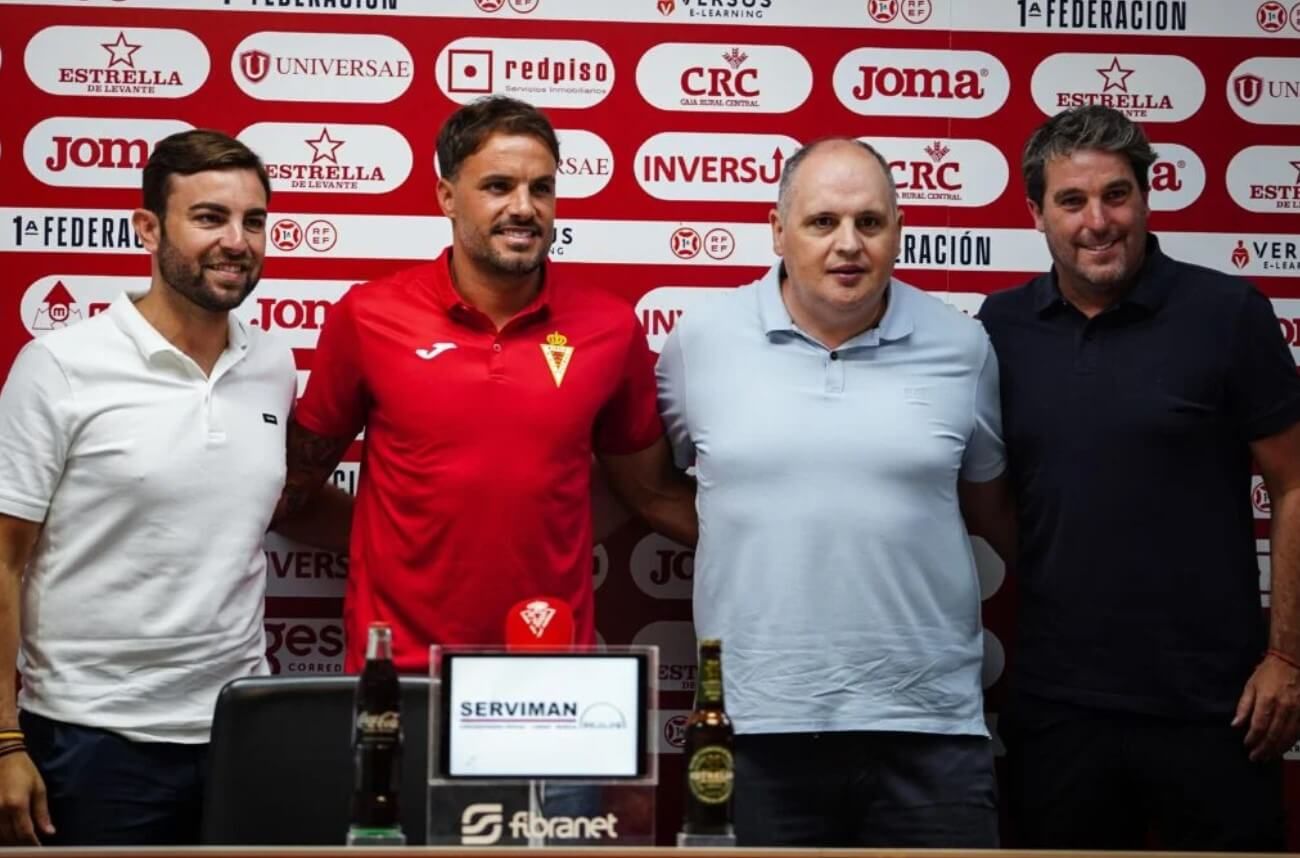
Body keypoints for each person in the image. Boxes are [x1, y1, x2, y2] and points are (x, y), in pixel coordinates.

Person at [655, 137, 1016, 847]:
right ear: (778, 230)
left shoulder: (962, 346)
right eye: (823, 222)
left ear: (897, 230)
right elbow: (647, 485)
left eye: (870, 223)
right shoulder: (700, 344)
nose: (848, 245)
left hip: (930, 727)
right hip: (757, 723)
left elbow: (990, 509)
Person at [0, 129, 348, 846]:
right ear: (149, 228)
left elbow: (282, 505)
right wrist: (5, 741)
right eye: (210, 217)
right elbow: (3, 561)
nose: (238, 241)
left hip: (244, 727)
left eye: (254, 220)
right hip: (93, 740)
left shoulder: (272, 363)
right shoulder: (61, 366)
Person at [277, 95, 695, 673]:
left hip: (549, 666)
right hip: (399, 669)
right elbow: (292, 491)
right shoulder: (368, 315)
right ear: (446, 197)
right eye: (498, 186)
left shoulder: (610, 327)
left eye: (541, 189)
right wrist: (400, 542)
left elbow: (647, 492)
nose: (524, 208)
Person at [979, 104, 1300, 850]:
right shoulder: (999, 329)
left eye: (1116, 195)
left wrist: (1286, 657)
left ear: (1146, 197)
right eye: (1072, 200)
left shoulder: (1228, 314)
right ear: (1036, 213)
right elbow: (990, 499)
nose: (1098, 221)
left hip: (1220, 709)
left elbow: (1293, 485)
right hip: (1058, 709)